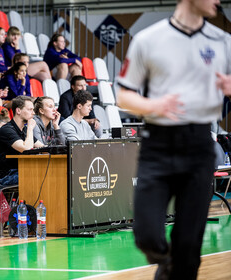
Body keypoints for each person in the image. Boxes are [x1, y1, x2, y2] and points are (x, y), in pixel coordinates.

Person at [116, 0, 231, 279]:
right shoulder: (148, 39)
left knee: (189, 247)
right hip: (158, 144)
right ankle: (167, 265)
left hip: (200, 144)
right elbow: (123, 95)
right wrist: (154, 106)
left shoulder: (224, 42)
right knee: (146, 234)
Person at [0, 96, 44, 185]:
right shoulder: (7, 130)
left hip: (22, 170)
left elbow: (42, 147)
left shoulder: (23, 130)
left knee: (48, 173)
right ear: (18, 111)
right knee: (42, 176)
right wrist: (30, 129)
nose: (33, 113)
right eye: (30, 109)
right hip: (7, 175)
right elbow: (26, 149)